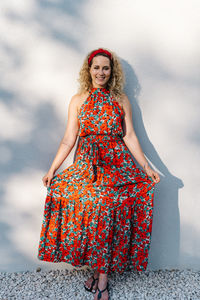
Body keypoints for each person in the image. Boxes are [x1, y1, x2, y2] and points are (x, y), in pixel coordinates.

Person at [37, 47, 160, 300]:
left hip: (117, 167)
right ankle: (97, 271)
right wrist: (52, 170)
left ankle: (102, 279)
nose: (101, 72)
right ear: (89, 70)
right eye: (96, 67)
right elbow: (69, 139)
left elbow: (129, 135)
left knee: (106, 215)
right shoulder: (78, 100)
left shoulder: (121, 99)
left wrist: (147, 167)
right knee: (92, 216)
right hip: (87, 167)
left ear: (111, 71)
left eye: (106, 68)